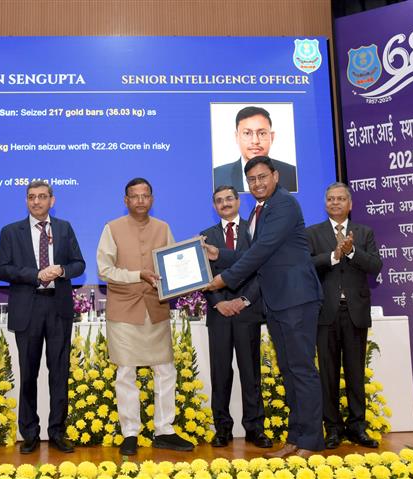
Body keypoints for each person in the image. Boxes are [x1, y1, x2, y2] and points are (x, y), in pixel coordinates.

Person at [205, 156, 324, 458]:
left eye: (262, 177)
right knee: (290, 370)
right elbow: (254, 252)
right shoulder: (261, 209)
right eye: (252, 180)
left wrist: (223, 280)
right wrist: (219, 253)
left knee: (302, 370)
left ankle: (310, 441)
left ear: (275, 176)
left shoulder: (283, 204)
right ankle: (296, 438)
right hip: (278, 302)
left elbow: (261, 251)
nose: (257, 183)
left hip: (296, 299)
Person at [97, 177, 194, 456]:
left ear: (152, 199)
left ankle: (164, 430)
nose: (140, 200)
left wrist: (188, 276)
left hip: (155, 308)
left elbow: (174, 267)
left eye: (145, 195)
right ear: (126, 200)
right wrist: (137, 275)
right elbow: (104, 270)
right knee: (126, 372)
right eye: (135, 196)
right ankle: (130, 433)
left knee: (165, 370)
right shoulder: (112, 228)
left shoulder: (163, 228)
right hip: (124, 310)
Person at [0, 180, 85, 454]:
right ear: (26, 201)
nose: (36, 201)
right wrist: (35, 274)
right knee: (28, 374)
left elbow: (79, 264)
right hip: (28, 308)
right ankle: (30, 433)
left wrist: (61, 271)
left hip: (58, 308)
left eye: (42, 196)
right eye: (32, 197)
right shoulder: (11, 231)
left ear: (51, 201)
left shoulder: (64, 228)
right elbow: (2, 269)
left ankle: (57, 431)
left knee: (59, 372)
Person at [306, 182, 382, 449]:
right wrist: (334, 255)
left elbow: (375, 265)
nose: (335, 203)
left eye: (340, 199)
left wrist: (351, 251)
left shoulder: (364, 232)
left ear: (350, 204)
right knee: (327, 374)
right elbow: (306, 265)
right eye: (330, 199)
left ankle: (357, 427)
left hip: (355, 313)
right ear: (325, 203)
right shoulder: (312, 233)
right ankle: (333, 428)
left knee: (355, 372)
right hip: (325, 314)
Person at [201, 185, 272, 449]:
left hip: (247, 311)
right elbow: (202, 276)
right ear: (214, 206)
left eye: (229, 198)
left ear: (238, 201)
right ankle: (222, 429)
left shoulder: (255, 233)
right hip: (219, 313)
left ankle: (255, 428)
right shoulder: (205, 237)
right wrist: (219, 303)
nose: (225, 203)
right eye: (219, 200)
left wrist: (243, 301)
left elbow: (261, 270)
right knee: (220, 373)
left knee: (250, 373)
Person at [213, 106, 297, 192]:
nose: (255, 141)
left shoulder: (293, 174)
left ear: (272, 137)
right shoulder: (216, 176)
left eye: (262, 133)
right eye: (247, 133)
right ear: (236, 137)